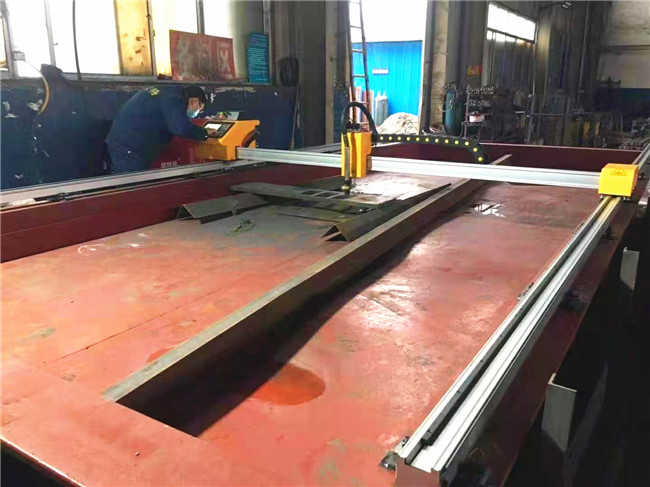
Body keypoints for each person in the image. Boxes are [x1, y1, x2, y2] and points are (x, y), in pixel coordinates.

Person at [105, 85, 216, 173]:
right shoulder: (174, 99)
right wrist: (204, 133)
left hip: (125, 144)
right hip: (129, 149)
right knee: (132, 189)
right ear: (194, 101)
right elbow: (180, 128)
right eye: (199, 109)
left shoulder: (167, 92)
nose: (197, 113)